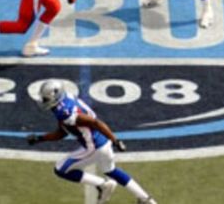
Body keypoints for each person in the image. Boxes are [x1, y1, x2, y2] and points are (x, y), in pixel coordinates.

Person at [28, 79, 158, 204]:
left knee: (60, 169)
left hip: (94, 146)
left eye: (46, 99)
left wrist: (115, 140)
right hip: (103, 142)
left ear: (55, 97)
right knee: (111, 170)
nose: (43, 101)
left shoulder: (64, 112)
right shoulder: (67, 98)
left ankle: (103, 185)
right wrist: (40, 138)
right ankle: (146, 199)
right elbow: (62, 132)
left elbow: (95, 122)